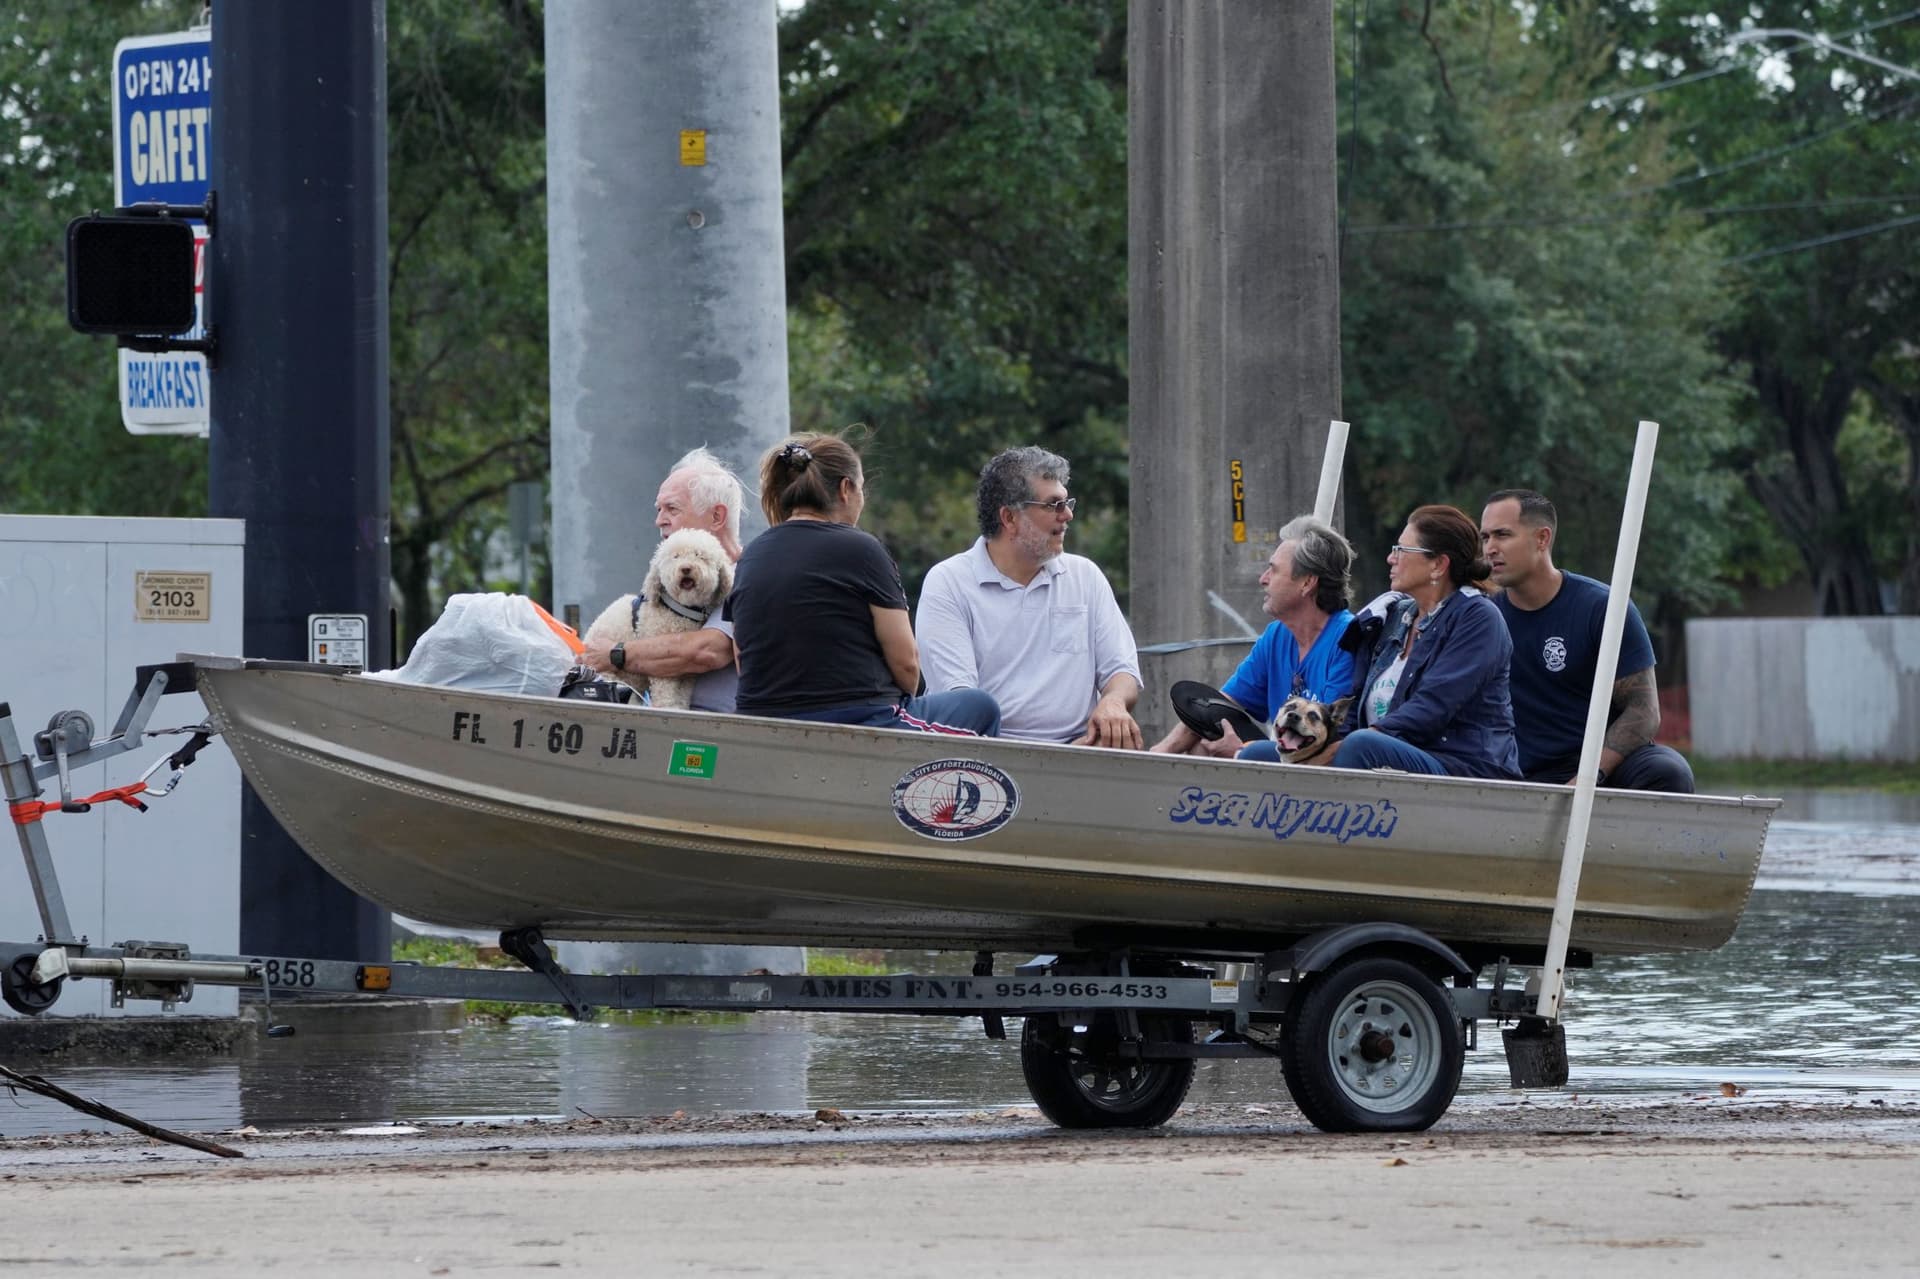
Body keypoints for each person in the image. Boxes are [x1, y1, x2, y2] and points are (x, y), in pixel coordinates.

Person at [726, 433, 1001, 735]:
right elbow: (907, 664)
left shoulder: (751, 555)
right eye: (861, 488)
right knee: (980, 707)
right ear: (846, 489)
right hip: (861, 719)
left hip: (762, 721)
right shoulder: (861, 548)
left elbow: (743, 658)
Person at [916, 447, 1143, 747]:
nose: (1068, 514)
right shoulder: (949, 582)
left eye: (1066, 501)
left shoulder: (1085, 576)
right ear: (1009, 517)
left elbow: (1122, 671)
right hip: (987, 759)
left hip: (1085, 753)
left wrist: (1113, 702)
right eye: (1053, 504)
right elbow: (962, 704)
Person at [1479, 488, 1695, 793]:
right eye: (1485, 537)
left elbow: (1644, 712)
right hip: (1516, 767)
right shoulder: (1481, 616)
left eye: (1502, 535)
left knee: (1668, 771)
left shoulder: (1602, 607)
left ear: (1542, 538)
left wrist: (1588, 777)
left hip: (1598, 765)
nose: (1490, 548)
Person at [1333, 505, 1520, 779]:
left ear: (1438, 564)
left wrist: (1346, 746)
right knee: (1266, 755)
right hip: (1385, 757)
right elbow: (1354, 701)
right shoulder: (1395, 615)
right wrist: (1321, 745)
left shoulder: (1478, 618)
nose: (1390, 558)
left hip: (1462, 767)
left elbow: (1432, 708)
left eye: (1401, 550)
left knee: (1361, 745)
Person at [1150, 515, 1357, 760]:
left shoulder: (1348, 638)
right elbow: (1220, 705)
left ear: (1307, 583)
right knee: (1203, 743)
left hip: (1325, 777)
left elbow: (1324, 742)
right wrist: (1161, 752)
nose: (1263, 579)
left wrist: (1242, 751)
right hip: (1283, 762)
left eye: (1273, 570)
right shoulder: (1276, 635)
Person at [578, 447, 743, 712]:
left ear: (716, 516)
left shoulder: (746, 576)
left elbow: (706, 652)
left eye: (672, 509)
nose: (658, 521)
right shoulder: (672, 580)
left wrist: (615, 653)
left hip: (717, 738)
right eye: (658, 509)